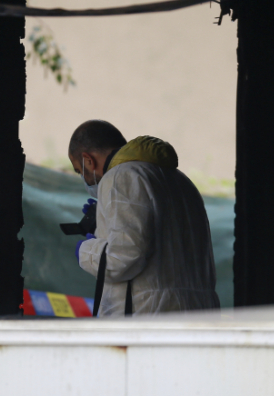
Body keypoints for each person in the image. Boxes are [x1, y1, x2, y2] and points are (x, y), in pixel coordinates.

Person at [68, 120, 220, 316]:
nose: (85, 178)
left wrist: (86, 250)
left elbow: (121, 258)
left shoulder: (120, 176)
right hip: (198, 314)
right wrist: (103, 226)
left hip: (148, 318)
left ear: (88, 159)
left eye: (80, 171)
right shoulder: (181, 181)